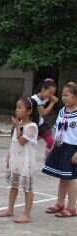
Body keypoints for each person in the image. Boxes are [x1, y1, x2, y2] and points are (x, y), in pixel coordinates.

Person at [0, 98, 40, 223]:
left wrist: (17, 127)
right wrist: (9, 156)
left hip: (26, 162)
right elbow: (14, 143)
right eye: (16, 107)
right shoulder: (19, 125)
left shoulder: (32, 127)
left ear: (29, 111)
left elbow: (22, 141)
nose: (17, 110)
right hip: (16, 160)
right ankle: (10, 209)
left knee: (27, 188)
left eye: (20, 108)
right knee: (13, 185)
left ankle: (27, 214)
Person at [42, 82, 77, 218]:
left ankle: (72, 207)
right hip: (60, 147)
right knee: (62, 177)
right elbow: (57, 129)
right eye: (62, 95)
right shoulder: (62, 111)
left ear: (75, 96)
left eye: (67, 95)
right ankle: (60, 204)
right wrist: (52, 147)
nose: (64, 97)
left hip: (72, 149)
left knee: (71, 178)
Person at [31, 79, 58, 161]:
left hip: (40, 124)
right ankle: (11, 159)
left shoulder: (45, 98)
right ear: (42, 89)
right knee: (25, 144)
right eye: (49, 93)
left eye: (53, 94)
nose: (50, 96)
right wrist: (52, 103)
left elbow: (48, 80)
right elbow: (44, 113)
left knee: (51, 141)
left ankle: (47, 160)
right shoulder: (35, 99)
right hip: (31, 125)